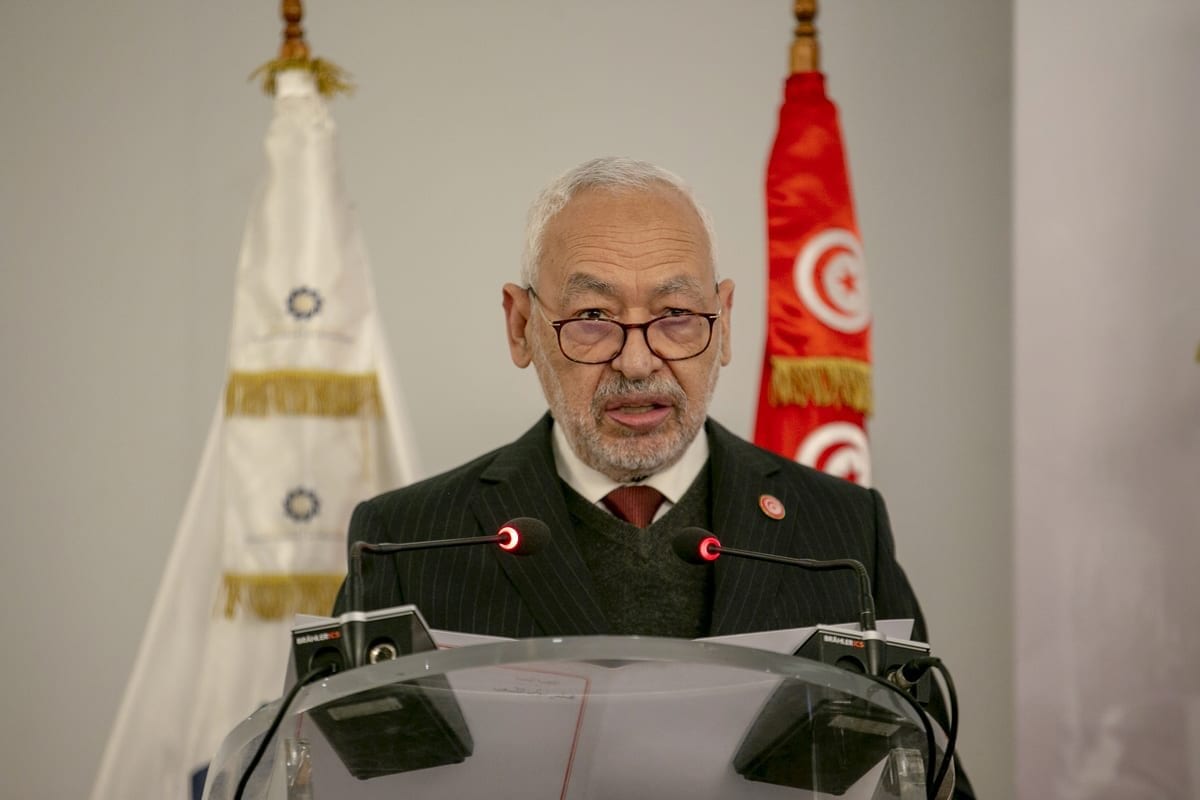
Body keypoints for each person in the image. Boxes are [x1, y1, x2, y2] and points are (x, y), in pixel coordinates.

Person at [334, 155, 930, 643]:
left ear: (723, 324)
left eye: (676, 315)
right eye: (593, 317)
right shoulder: (404, 543)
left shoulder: (845, 534)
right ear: (521, 327)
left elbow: (918, 750)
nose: (638, 363)